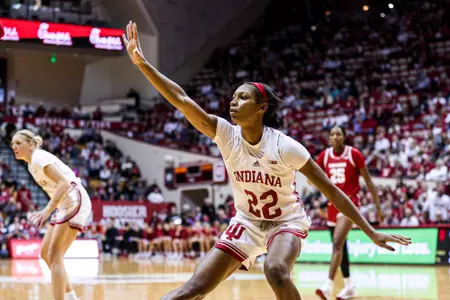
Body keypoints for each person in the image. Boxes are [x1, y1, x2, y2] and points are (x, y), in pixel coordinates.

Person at [122, 22, 411, 300]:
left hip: (286, 222)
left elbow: (332, 191)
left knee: (274, 270)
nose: (234, 102)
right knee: (190, 291)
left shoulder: (286, 146)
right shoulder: (225, 134)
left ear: (261, 108)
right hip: (246, 222)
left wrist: (370, 231)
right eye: (233, 97)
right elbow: (182, 99)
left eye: (243, 97)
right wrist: (143, 65)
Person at [11, 129, 92, 300]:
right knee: (46, 253)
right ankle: (71, 297)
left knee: (55, 255)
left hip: (73, 198)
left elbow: (63, 183)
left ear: (31, 144)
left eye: (18, 143)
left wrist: (47, 210)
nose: (14, 147)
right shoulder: (30, 165)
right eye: (12, 144)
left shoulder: (39, 157)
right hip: (63, 202)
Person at [315, 126, 385, 300]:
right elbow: (314, 176)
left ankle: (327, 287)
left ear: (344, 137)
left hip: (350, 204)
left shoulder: (354, 154)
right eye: (332, 134)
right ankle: (349, 287)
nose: (335, 137)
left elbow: (368, 182)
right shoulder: (324, 156)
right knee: (341, 248)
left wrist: (378, 207)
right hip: (332, 206)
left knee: (337, 242)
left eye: (339, 134)